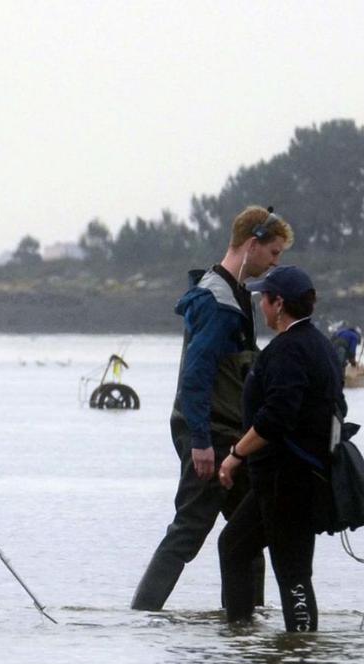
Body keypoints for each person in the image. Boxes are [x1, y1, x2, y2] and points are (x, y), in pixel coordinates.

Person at [131, 206, 293, 611]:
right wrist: (200, 442)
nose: (276, 263)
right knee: (188, 530)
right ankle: (142, 616)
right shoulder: (219, 303)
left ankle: (245, 622)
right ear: (251, 244)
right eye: (273, 253)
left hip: (232, 435)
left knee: (247, 533)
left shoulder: (233, 293)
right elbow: (196, 376)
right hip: (210, 435)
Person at [217, 266, 345, 631]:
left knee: (292, 572)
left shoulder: (289, 350)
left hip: (289, 479)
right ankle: (241, 637)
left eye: (263, 298)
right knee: (234, 546)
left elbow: (277, 417)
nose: (259, 305)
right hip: (283, 478)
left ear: (279, 303)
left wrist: (236, 454)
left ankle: (301, 649)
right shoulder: (319, 345)